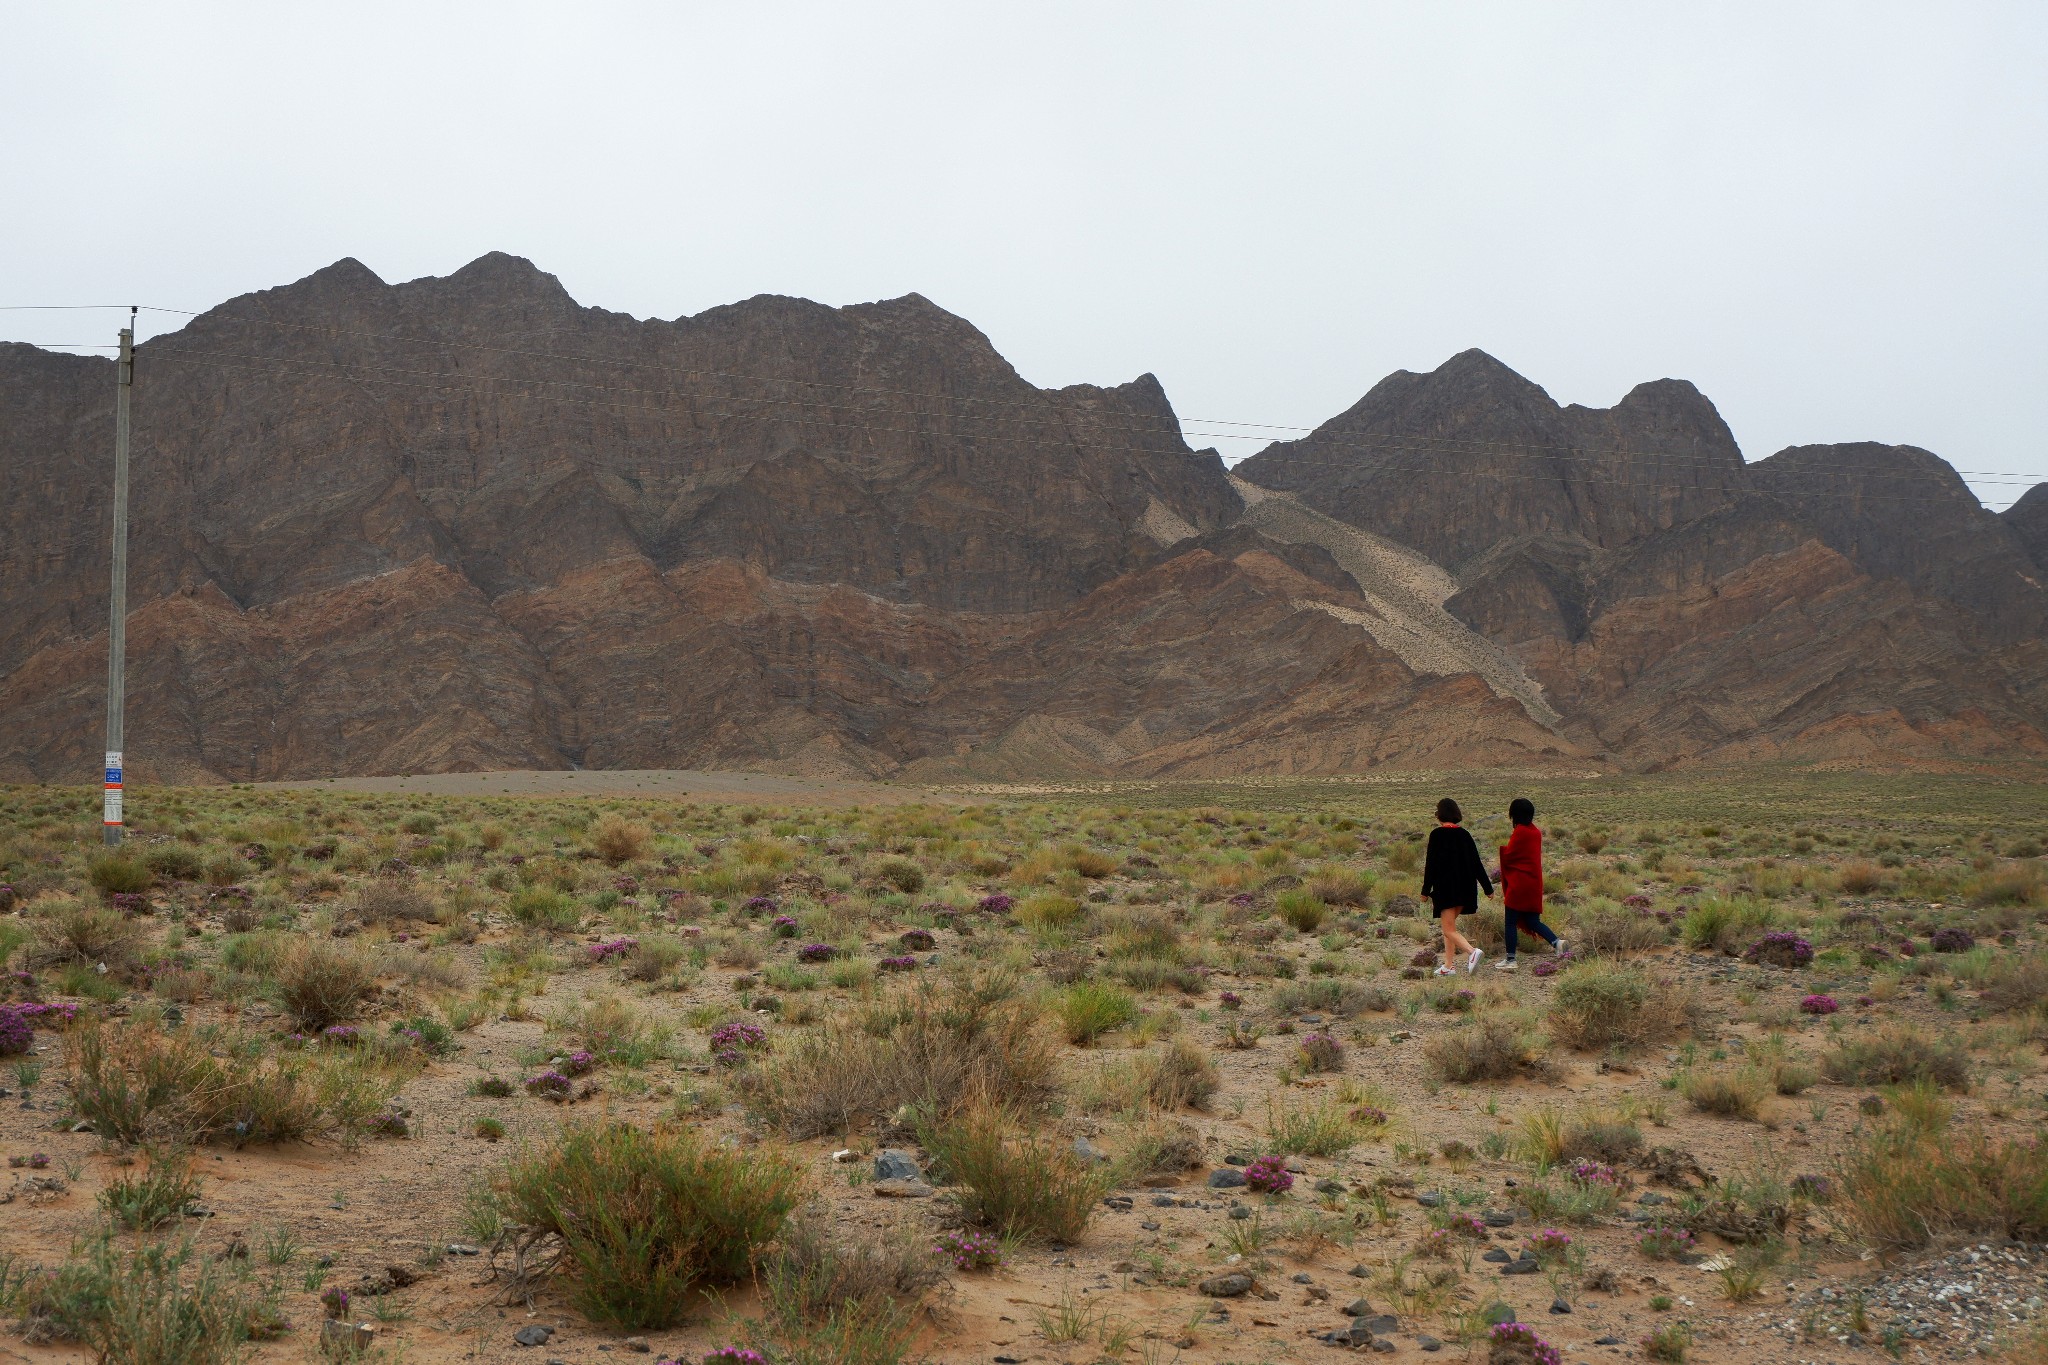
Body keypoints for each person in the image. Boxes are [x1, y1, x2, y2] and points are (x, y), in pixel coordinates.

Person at [1420, 797, 1492, 974]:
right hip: (1465, 889)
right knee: (1449, 928)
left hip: (1446, 890)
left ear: (1440, 815)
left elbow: (1431, 865)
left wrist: (1425, 891)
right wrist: (1487, 888)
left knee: (1448, 929)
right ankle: (1448, 966)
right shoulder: (1465, 834)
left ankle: (1472, 952)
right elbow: (1477, 863)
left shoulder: (1436, 835)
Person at [1495, 796, 1564, 970]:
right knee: (1533, 920)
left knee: (1510, 921)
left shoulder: (1520, 832)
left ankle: (1511, 960)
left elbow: (1511, 856)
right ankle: (1557, 943)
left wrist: (1502, 851)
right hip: (1533, 883)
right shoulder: (1536, 832)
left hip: (1519, 884)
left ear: (1515, 814)